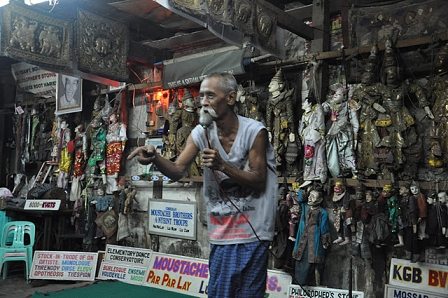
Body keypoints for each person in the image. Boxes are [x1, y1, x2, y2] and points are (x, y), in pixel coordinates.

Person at [128, 72, 277, 298]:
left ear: (230, 98)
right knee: (220, 293)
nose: (204, 102)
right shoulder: (200, 132)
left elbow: (259, 180)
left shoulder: (255, 131)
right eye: (201, 97)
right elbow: (178, 171)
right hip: (221, 231)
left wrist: (223, 166)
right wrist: (155, 158)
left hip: (253, 230)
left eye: (210, 95)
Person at [292, 186, 330, 286]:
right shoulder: (305, 207)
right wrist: (305, 187)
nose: (310, 198)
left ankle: (315, 284)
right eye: (310, 196)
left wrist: (325, 241)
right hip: (302, 241)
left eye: (313, 196)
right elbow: (300, 196)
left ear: (320, 200)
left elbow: (324, 228)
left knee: (314, 263)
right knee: (299, 261)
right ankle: (298, 284)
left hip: (315, 241)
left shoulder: (323, 213)